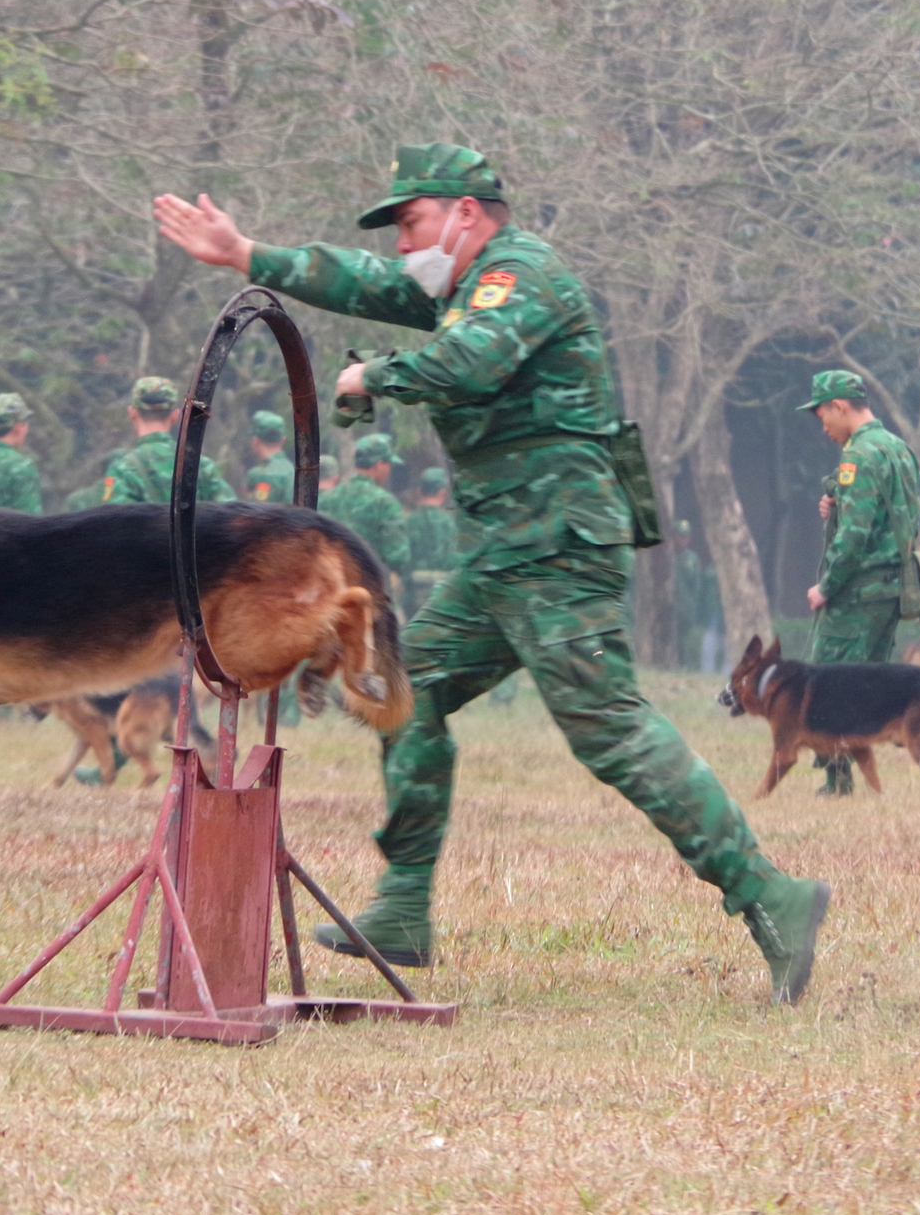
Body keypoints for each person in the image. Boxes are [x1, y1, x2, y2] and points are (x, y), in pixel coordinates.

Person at [153, 143, 830, 1003]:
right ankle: (402, 906)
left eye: (412, 222)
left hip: (557, 543)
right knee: (408, 686)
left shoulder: (520, 277)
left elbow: (472, 359)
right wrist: (246, 254)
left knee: (610, 729)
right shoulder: (465, 283)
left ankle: (773, 897)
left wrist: (375, 374)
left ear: (464, 213)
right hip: (508, 551)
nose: (404, 244)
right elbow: (363, 281)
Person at [800, 369, 920, 795]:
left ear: (839, 406)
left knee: (824, 683)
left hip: (858, 591)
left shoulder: (859, 456)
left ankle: (838, 781)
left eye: (822, 417)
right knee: (874, 686)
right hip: (892, 590)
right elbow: (895, 516)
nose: (824, 428)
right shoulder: (898, 449)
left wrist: (826, 587)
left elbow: (853, 539)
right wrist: (834, 503)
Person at [101, 377, 237, 505]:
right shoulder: (202, 466)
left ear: (132, 413)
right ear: (175, 416)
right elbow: (230, 517)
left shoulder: (122, 470)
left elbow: (113, 524)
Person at [320, 433, 411, 582]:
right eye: (388, 463)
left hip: (332, 583)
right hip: (370, 585)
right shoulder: (385, 502)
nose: (389, 470)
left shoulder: (327, 498)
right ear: (378, 464)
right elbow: (397, 555)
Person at [404, 465, 459, 617]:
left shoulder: (409, 522)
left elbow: (403, 559)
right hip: (442, 593)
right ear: (442, 493)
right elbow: (453, 558)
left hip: (414, 592)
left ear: (419, 492)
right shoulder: (449, 523)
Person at [243, 410, 295, 502]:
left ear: (255, 441)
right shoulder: (293, 470)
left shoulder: (258, 475)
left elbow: (257, 512)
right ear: (283, 440)